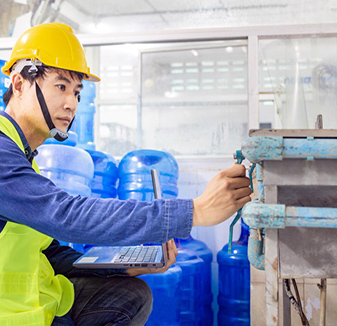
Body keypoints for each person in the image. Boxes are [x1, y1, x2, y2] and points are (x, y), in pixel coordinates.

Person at [0, 23, 251, 326]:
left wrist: (120, 266)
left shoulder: (24, 155)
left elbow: (47, 254)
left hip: (41, 304)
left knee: (130, 292)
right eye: (61, 86)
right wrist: (192, 211)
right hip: (14, 316)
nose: (71, 103)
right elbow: (67, 216)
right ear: (18, 84)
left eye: (77, 92)